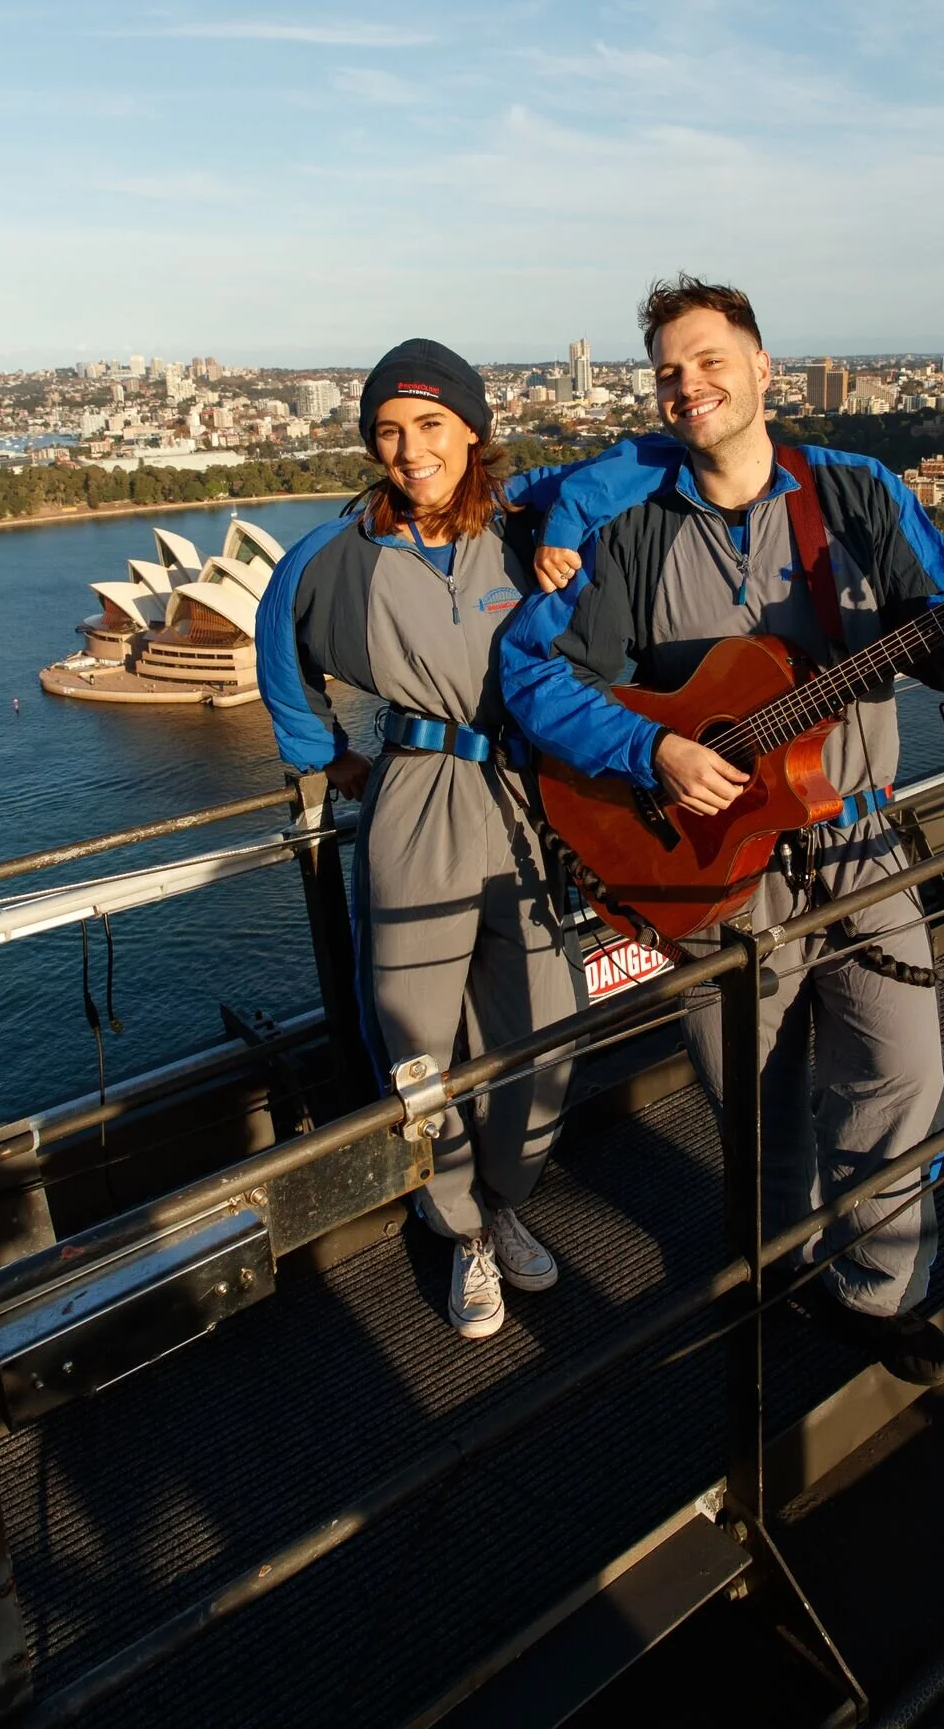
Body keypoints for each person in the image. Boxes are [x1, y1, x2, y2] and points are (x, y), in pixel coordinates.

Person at [502, 277, 944, 1385]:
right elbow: (534, 671)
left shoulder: (855, 495)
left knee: (899, 1074)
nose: (688, 384)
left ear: (763, 371)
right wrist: (652, 750)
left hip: (856, 838)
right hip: (709, 864)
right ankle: (781, 1264)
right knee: (755, 1101)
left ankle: (879, 1292)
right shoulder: (631, 529)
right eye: (667, 371)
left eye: (710, 360)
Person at [256, 338, 586, 1341]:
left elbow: (633, 486)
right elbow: (279, 648)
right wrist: (330, 752)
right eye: (387, 432)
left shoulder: (530, 528)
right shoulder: (338, 553)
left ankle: (509, 1192)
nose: (407, 448)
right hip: (414, 796)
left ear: (472, 429)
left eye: (429, 424)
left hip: (525, 793)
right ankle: (460, 1229)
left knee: (547, 1017)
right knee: (415, 1034)